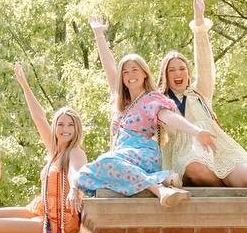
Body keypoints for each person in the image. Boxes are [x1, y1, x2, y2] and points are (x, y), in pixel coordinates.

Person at [75, 17, 211, 208]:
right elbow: (109, 68)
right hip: (122, 157)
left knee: (106, 160)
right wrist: (98, 34)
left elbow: (169, 117)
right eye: (126, 72)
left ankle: (160, 190)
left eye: (135, 70)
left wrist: (196, 131)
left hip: (144, 154)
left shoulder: (151, 99)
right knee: (82, 176)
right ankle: (160, 181)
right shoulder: (121, 102)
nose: (131, 76)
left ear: (145, 73)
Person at [155, 0, 247, 193]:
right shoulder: (160, 102)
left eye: (182, 68)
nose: (177, 73)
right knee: (195, 168)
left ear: (188, 74)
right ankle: (229, 197)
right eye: (172, 70)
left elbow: (205, 64)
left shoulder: (200, 93)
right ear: (165, 75)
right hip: (186, 154)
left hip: (218, 150)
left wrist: (199, 24)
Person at [0, 67, 87, 233]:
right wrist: (24, 85)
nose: (65, 129)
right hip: (40, 209)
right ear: (55, 128)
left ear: (76, 128)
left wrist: (73, 189)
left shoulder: (75, 151)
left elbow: (76, 171)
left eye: (70, 125)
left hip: (58, 224)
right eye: (61, 124)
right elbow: (39, 118)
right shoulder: (55, 151)